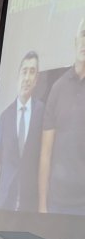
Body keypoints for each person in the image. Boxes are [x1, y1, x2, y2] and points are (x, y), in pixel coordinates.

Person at [0, 51, 44, 212]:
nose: (27, 77)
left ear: (36, 79)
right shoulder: (5, 117)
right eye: (24, 71)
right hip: (5, 203)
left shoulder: (42, 112)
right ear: (18, 77)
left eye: (32, 72)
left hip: (30, 204)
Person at [39, 18, 85, 215]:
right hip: (57, 202)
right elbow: (46, 152)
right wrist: (42, 206)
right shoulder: (58, 88)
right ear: (75, 41)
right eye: (83, 35)